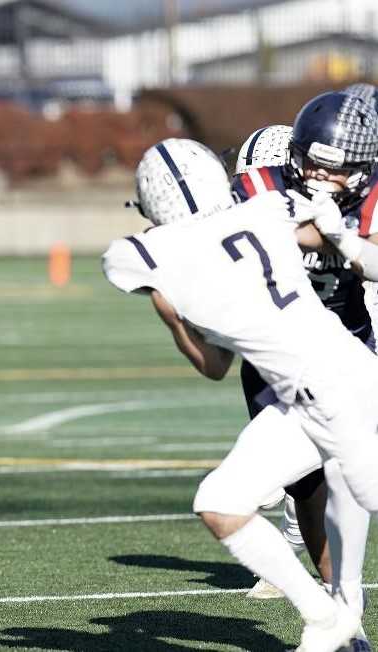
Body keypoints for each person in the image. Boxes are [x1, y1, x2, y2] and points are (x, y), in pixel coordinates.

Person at [105, 137, 378, 651]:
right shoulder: (266, 210)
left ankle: (338, 621)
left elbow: (213, 365)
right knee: (221, 501)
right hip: (332, 381)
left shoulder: (151, 258)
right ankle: (330, 619)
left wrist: (172, 317)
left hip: (330, 390)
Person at [232, 94, 378, 634]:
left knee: (343, 477)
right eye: (310, 163)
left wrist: (337, 238)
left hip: (347, 353)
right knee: (305, 492)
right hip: (272, 358)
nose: (318, 175)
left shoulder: (372, 197)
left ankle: (344, 620)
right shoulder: (259, 186)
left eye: (333, 168)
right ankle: (337, 616)